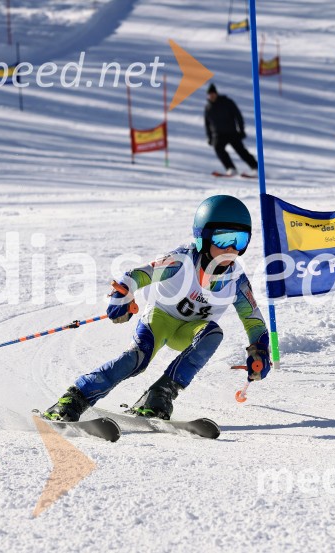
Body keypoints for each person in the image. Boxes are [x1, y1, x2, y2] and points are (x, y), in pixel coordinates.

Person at [42, 195, 271, 422]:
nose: (231, 248)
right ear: (203, 236)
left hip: (191, 331)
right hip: (160, 320)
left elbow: (254, 321)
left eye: (240, 240)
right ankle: (75, 398)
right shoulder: (181, 261)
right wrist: (122, 294)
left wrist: (260, 350)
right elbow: (138, 275)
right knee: (136, 360)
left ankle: (159, 395)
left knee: (213, 333)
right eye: (223, 239)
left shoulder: (236, 280)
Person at [205, 84, 258, 176]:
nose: (211, 96)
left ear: (216, 94)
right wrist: (209, 137)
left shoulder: (227, 102)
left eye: (213, 94)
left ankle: (256, 167)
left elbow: (238, 116)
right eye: (210, 94)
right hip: (218, 134)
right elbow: (207, 124)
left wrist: (241, 130)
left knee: (241, 151)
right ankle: (230, 168)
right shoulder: (208, 107)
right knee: (218, 148)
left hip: (231, 132)